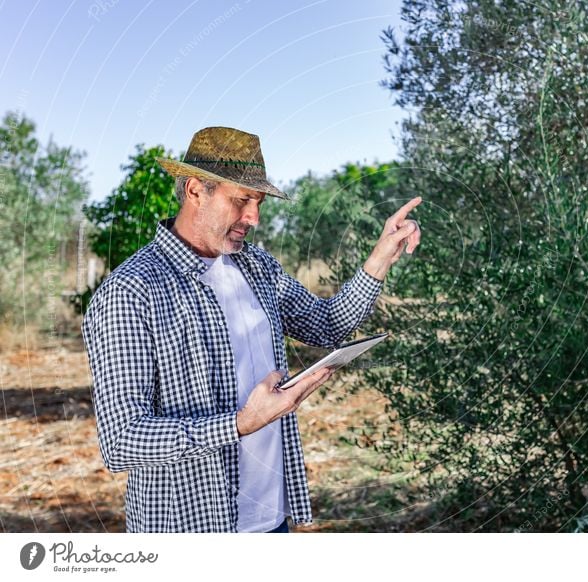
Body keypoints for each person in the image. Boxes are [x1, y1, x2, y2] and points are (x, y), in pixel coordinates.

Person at [81, 126, 421, 532]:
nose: (254, 218)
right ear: (194, 191)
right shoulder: (132, 291)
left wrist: (381, 257)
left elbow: (326, 325)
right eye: (242, 200)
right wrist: (241, 423)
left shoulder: (257, 267)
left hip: (271, 518)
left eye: (258, 203)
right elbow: (122, 440)